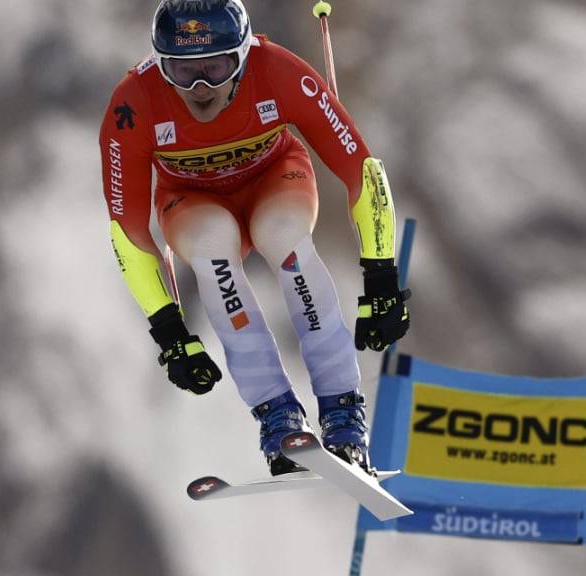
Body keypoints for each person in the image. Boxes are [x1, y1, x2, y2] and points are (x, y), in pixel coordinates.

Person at [99, 0, 410, 476]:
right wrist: (170, 332)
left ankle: (343, 411)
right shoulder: (132, 103)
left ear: (243, 57)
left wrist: (382, 278)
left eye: (217, 67)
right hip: (192, 200)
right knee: (211, 249)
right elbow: (129, 231)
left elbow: (362, 172)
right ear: (160, 65)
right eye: (183, 72)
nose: (202, 88)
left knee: (285, 238)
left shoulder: (280, 71)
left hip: (275, 181)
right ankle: (277, 416)